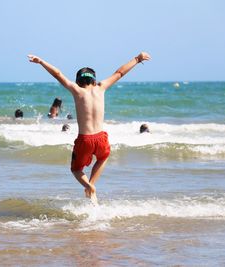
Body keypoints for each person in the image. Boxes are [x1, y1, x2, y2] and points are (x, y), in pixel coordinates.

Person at [28, 52, 151, 203]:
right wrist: (137, 59)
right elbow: (120, 73)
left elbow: (58, 74)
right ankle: (91, 185)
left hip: (84, 139)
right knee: (103, 157)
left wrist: (41, 62)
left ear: (78, 81)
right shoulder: (101, 87)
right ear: (94, 80)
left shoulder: (77, 90)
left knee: (76, 169)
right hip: (100, 138)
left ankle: (89, 185)